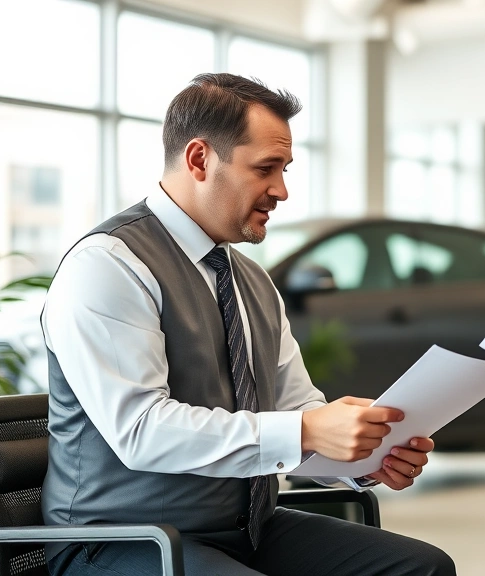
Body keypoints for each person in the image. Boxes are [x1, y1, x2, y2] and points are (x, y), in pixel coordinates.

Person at [40, 73, 456, 576]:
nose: (281, 190)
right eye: (266, 168)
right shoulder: (108, 265)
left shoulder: (251, 280)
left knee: (422, 568)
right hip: (120, 541)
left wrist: (362, 457)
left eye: (285, 168)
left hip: (245, 529)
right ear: (199, 160)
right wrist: (306, 430)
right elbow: (141, 429)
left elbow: (294, 409)